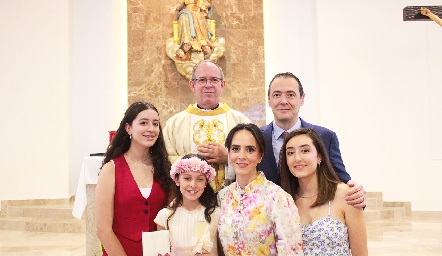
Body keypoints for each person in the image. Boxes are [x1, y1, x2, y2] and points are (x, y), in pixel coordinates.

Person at [258, 72, 366, 208]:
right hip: (266, 220)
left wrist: (356, 193)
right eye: (277, 95)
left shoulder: (325, 137)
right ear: (269, 100)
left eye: (290, 95)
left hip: (312, 215)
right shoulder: (256, 139)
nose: (283, 101)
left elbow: (339, 179)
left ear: (302, 99)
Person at [95, 102, 173, 256]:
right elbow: (103, 230)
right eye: (144, 123)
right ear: (128, 128)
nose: (151, 129)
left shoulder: (164, 168)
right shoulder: (111, 169)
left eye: (155, 124)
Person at [163, 60, 251, 192]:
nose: (208, 85)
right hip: (189, 201)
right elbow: (166, 160)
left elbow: (255, 159)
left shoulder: (241, 121)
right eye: (202, 80)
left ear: (223, 84)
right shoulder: (174, 124)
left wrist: (227, 158)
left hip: (233, 200)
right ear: (192, 85)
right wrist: (194, 162)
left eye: (214, 80)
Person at [218, 123, 304, 255]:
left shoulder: (277, 197)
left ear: (260, 155)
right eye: (235, 149)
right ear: (229, 153)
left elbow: (291, 251)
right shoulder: (223, 196)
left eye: (250, 150)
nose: (241, 156)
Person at [279, 128, 367, 255]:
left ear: (319, 156)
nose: (297, 158)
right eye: (290, 153)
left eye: (305, 151)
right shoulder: (284, 200)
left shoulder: (345, 194)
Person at [155, 154, 219, 255]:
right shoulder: (164, 216)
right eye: (187, 178)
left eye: (200, 179)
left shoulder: (215, 214)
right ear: (177, 179)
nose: (193, 185)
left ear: (206, 182)